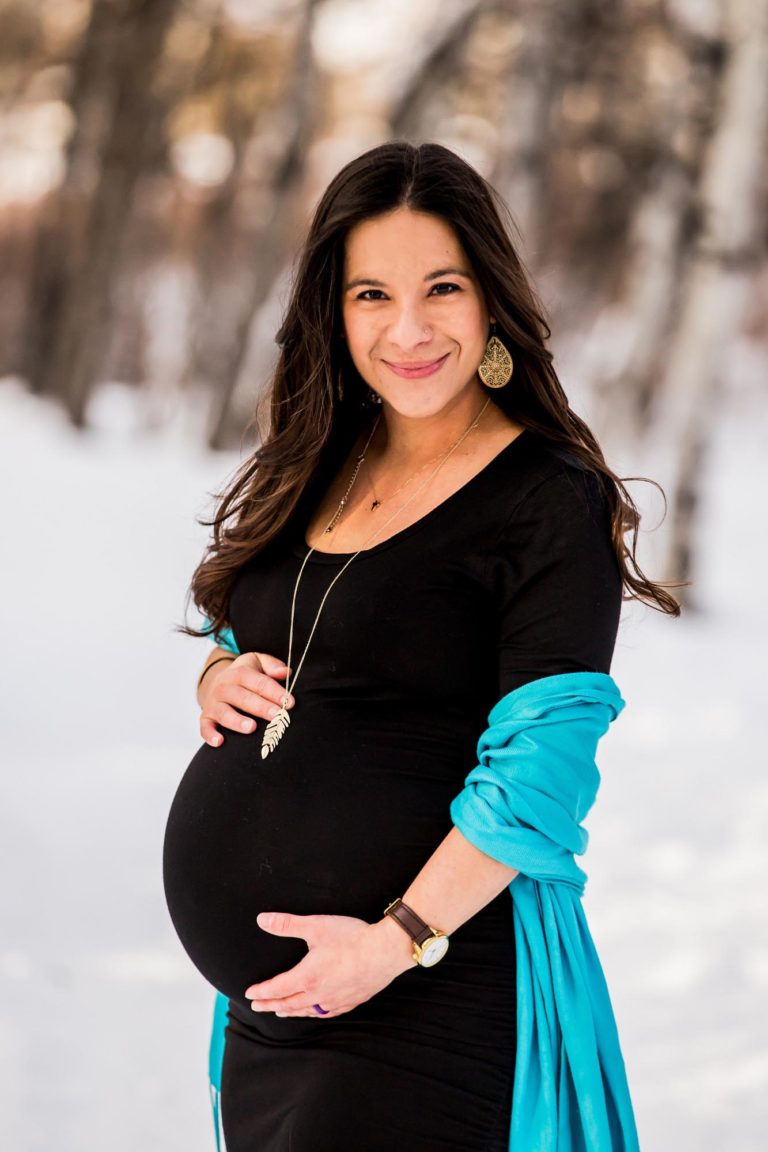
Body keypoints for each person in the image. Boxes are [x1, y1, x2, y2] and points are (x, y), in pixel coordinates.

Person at [162, 140, 680, 1152]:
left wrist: (395, 943)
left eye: (441, 287)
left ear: (490, 297)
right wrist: (219, 671)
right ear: (333, 309)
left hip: (427, 996)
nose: (407, 329)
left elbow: (543, 773)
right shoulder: (318, 460)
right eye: (370, 295)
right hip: (277, 1020)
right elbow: (281, 627)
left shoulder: (545, 499)